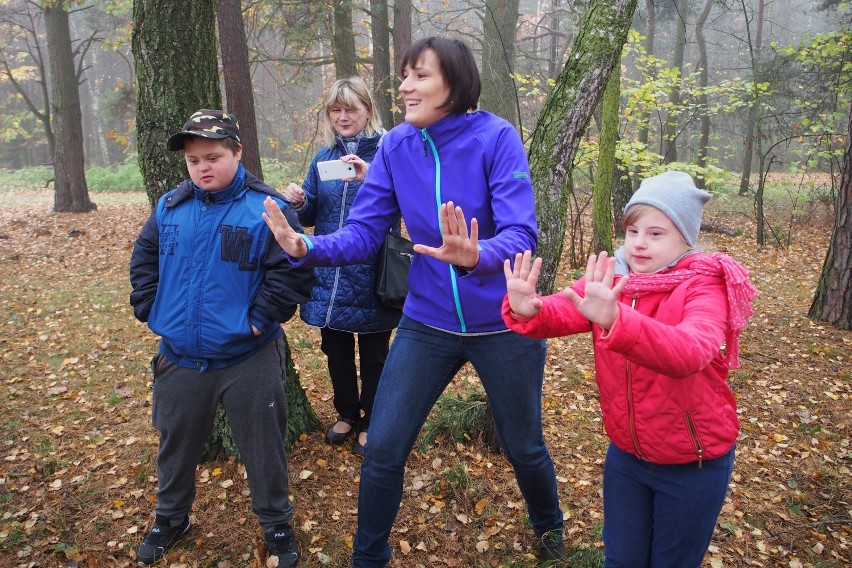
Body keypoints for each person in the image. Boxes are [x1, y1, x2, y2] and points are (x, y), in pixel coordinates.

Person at [262, 36, 566, 567]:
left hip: (503, 323)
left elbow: (522, 233)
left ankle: (550, 532)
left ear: (456, 82)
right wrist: (304, 246)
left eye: (420, 75)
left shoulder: (496, 137)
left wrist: (474, 254)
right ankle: (369, 557)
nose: (405, 85)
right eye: (404, 75)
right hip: (427, 323)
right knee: (382, 448)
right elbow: (362, 233)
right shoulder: (397, 146)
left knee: (524, 446)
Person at [503, 171, 758, 568]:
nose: (639, 243)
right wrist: (528, 307)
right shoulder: (616, 277)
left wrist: (617, 321)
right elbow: (567, 306)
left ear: (685, 238)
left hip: (692, 463)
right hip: (627, 457)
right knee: (621, 560)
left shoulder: (703, 285)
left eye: (656, 234)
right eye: (633, 230)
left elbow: (690, 351)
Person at [129, 109, 314, 567]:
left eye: (212, 156)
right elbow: (145, 255)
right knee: (175, 444)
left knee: (263, 449)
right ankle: (171, 519)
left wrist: (258, 320)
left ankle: (276, 526)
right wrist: (149, 304)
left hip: (247, 358)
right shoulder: (171, 207)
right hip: (180, 357)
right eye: (193, 161)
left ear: (237, 152)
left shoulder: (267, 208)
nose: (202, 168)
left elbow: (292, 273)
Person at [282, 77, 398, 456]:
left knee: (375, 353)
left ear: (368, 109)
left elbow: (409, 204)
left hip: (372, 269)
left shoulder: (389, 152)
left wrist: (373, 177)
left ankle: (372, 421)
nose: (343, 117)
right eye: (336, 110)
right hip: (328, 272)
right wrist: (299, 202)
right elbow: (313, 212)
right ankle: (347, 413)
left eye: (351, 108)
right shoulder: (323, 157)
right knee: (335, 349)